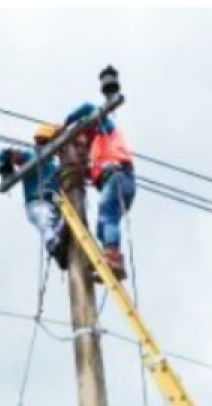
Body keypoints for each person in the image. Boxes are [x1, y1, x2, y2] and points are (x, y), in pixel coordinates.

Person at [64, 101, 135, 280]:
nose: (83, 147)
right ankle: (112, 259)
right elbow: (92, 172)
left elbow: (88, 107)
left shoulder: (105, 130)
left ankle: (113, 257)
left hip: (119, 177)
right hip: (117, 181)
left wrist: (67, 122)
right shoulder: (95, 152)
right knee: (101, 227)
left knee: (107, 216)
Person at [0, 122, 67, 268]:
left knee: (61, 227)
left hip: (55, 207)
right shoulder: (32, 155)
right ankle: (54, 247)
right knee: (45, 224)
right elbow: (2, 155)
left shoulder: (54, 166)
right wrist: (7, 163)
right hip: (37, 202)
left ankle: (63, 252)